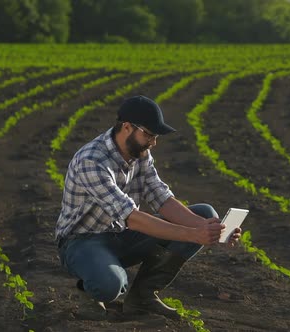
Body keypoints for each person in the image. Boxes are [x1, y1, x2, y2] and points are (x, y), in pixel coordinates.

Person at [54, 95, 242, 321]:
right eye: (149, 135)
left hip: (121, 235)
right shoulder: (92, 161)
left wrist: (211, 229)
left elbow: (161, 198)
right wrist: (192, 234)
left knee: (204, 213)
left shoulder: (139, 154)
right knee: (110, 284)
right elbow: (132, 218)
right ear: (126, 127)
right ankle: (91, 288)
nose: (153, 142)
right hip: (82, 242)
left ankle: (143, 296)